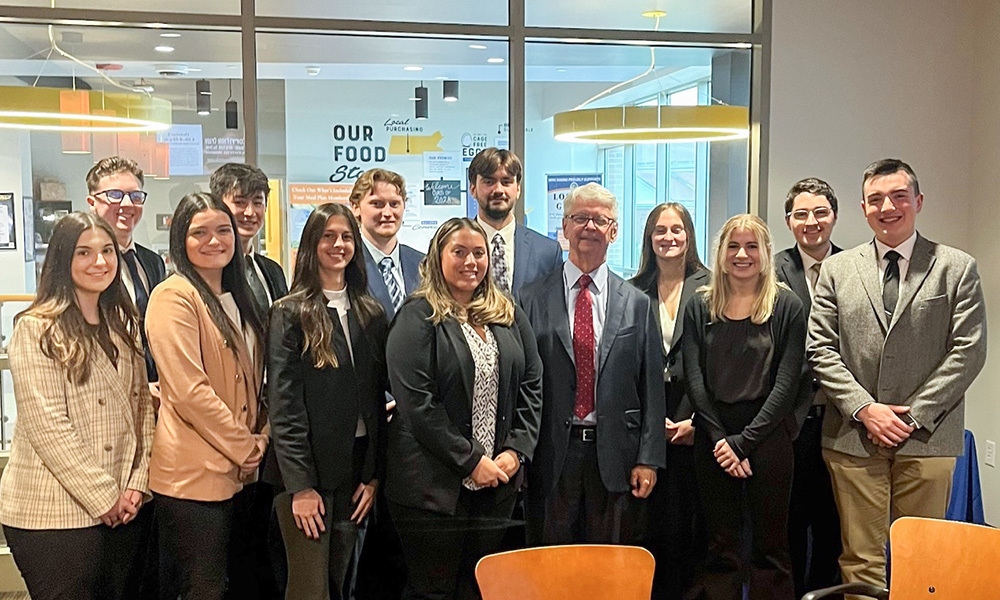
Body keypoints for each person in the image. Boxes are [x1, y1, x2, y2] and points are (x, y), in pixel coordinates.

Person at [808, 158, 987, 599]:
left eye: (898, 196)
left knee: (922, 558)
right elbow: (820, 349)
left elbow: (969, 351)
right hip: (853, 436)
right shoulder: (836, 270)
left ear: (918, 201)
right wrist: (866, 409)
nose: (887, 206)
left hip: (928, 438)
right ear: (863, 208)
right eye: (875, 199)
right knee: (860, 561)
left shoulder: (956, 267)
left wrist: (912, 416)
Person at [385, 217, 543, 600]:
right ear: (438, 257)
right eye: (459, 252)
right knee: (433, 590)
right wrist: (471, 460)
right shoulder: (418, 315)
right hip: (432, 490)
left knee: (481, 588)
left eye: (478, 252)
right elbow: (417, 404)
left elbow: (532, 381)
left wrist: (517, 451)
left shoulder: (505, 311)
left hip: (495, 487)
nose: (470, 261)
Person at [1, 212, 155, 600]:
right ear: (61, 260)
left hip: (124, 508)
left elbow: (142, 414)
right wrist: (105, 497)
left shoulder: (122, 321)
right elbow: (48, 426)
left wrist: (136, 485)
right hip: (54, 511)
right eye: (84, 252)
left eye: (107, 251)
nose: (99, 262)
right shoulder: (36, 328)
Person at [518, 182, 665, 545]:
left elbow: (651, 386)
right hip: (551, 454)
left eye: (600, 220)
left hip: (615, 454)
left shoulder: (637, 303)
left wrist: (648, 458)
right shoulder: (530, 298)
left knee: (607, 566)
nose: (589, 227)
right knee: (550, 564)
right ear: (564, 227)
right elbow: (520, 383)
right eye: (580, 217)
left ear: (614, 232)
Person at [145, 192, 268, 600]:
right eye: (200, 232)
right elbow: (188, 390)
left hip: (239, 470)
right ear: (181, 238)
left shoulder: (238, 296)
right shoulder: (173, 295)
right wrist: (244, 446)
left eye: (222, 230)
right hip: (192, 474)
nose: (214, 241)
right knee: (201, 588)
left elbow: (257, 379)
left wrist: (261, 438)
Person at [266, 203, 389, 600]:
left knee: (341, 585)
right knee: (308, 589)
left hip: (355, 472)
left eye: (347, 237)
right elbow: (284, 407)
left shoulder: (370, 312)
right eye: (329, 237)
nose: (339, 245)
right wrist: (301, 488)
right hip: (306, 476)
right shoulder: (289, 313)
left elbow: (374, 399)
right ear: (311, 245)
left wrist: (373, 476)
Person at [681, 214, 805, 600]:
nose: (742, 255)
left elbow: (787, 384)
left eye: (752, 246)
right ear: (720, 254)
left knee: (771, 546)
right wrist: (721, 440)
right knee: (722, 544)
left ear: (766, 253)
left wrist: (743, 444)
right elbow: (695, 379)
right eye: (733, 246)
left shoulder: (788, 306)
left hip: (767, 435)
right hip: (714, 434)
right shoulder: (699, 306)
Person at [86, 156, 166, 600]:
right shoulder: (80, 264)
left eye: (134, 196)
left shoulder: (151, 263)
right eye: (114, 195)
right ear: (92, 201)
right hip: (102, 416)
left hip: (149, 410)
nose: (126, 205)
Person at [211, 162, 288, 600]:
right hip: (225, 437)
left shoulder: (271, 270)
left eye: (257, 202)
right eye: (239, 201)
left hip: (269, 427)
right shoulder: (207, 276)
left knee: (265, 554)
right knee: (227, 563)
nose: (249, 211)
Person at [627, 203, 710, 600]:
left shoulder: (712, 285)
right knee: (649, 526)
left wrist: (698, 421)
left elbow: (720, 362)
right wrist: (648, 420)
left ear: (689, 235)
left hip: (695, 413)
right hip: (647, 415)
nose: (669, 237)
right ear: (649, 238)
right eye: (660, 230)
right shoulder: (632, 288)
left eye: (676, 229)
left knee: (692, 525)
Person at [774, 178, 843, 598]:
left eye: (820, 213)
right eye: (801, 214)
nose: (811, 222)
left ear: (834, 217)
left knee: (835, 526)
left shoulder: (857, 266)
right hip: (789, 421)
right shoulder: (771, 268)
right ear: (789, 221)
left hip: (842, 419)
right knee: (789, 525)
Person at [469, 147, 562, 295]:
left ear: (518, 189)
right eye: (489, 181)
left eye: (506, 182)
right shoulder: (453, 250)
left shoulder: (547, 252)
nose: (498, 190)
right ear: (473, 189)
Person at [350, 167, 424, 318]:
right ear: (356, 207)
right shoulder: (347, 265)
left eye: (394, 204)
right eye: (377, 204)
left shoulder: (424, 264)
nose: (387, 213)